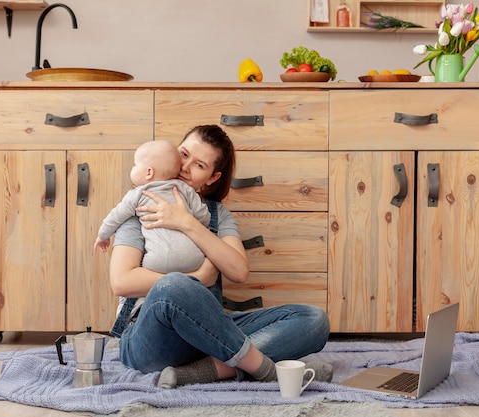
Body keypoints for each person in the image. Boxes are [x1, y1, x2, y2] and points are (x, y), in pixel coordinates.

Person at [109, 124, 332, 389]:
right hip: (149, 337)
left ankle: (202, 371)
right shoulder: (139, 202)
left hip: (209, 333)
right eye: (183, 154)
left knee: (313, 320)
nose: (184, 167)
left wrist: (187, 223)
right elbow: (121, 281)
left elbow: (238, 271)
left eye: (199, 165)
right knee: (175, 285)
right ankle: (264, 369)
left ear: (212, 178)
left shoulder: (215, 215)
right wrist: (196, 278)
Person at [94, 140, 210, 274]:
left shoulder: (137, 194)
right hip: (194, 260)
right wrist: (189, 219)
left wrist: (103, 235)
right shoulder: (184, 189)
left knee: (146, 278)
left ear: (149, 172)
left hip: (159, 262)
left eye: (135, 165)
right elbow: (204, 217)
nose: (132, 169)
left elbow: (115, 216)